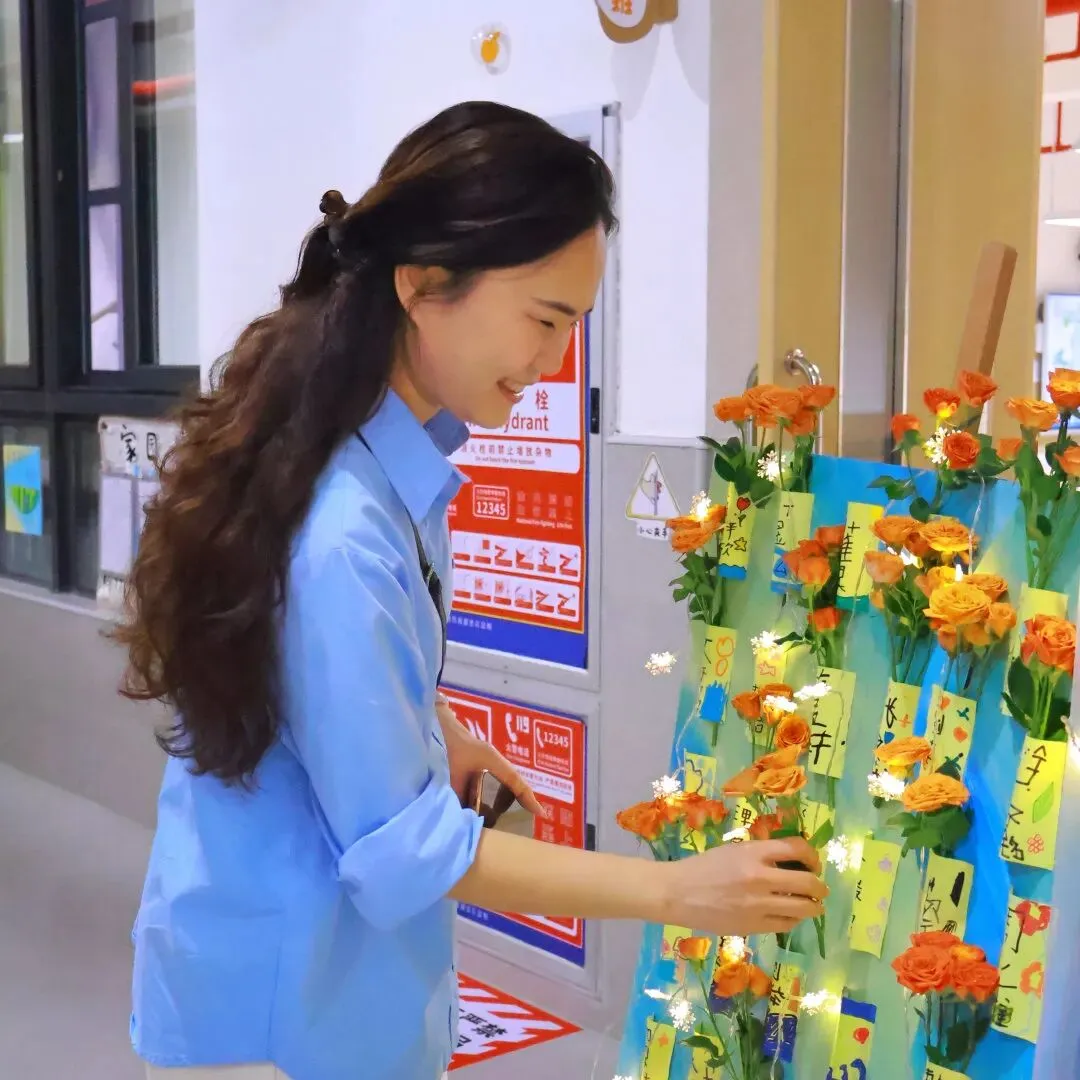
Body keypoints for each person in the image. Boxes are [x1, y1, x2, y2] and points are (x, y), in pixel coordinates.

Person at [115, 101, 826, 1080]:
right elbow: (402, 855)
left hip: (303, 978)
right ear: (422, 284)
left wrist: (429, 724)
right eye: (544, 319)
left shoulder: (363, 460)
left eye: (572, 327)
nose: (555, 363)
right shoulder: (345, 526)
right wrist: (680, 892)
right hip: (286, 1016)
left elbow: (307, 669)